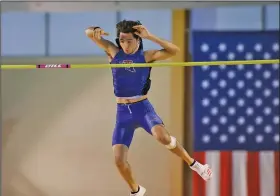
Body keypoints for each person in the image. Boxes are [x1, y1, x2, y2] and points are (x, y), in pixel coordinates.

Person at [85, 20, 212, 196]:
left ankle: (195, 164)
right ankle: (136, 191)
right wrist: (95, 30)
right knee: (119, 161)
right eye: (122, 40)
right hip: (122, 113)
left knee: (162, 137)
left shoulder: (146, 56)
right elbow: (89, 33)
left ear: (138, 39)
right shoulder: (114, 52)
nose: (125, 45)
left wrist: (150, 36)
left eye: (129, 40)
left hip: (142, 108)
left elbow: (174, 51)